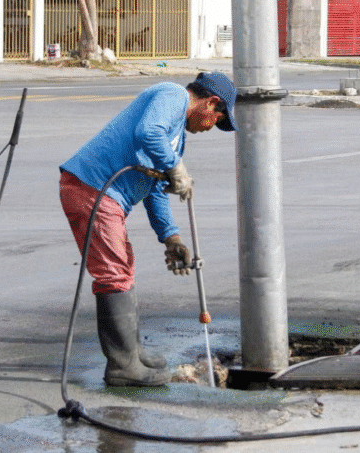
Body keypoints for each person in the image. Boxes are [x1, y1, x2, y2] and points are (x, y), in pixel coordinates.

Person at [59, 72, 238, 387]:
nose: (211, 128)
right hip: (93, 188)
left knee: (123, 269)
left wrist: (171, 237)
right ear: (211, 102)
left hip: (104, 194)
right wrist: (175, 166)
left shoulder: (176, 136)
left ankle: (132, 352)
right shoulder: (172, 95)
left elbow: (155, 189)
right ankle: (122, 366)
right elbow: (147, 132)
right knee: (113, 273)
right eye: (217, 119)